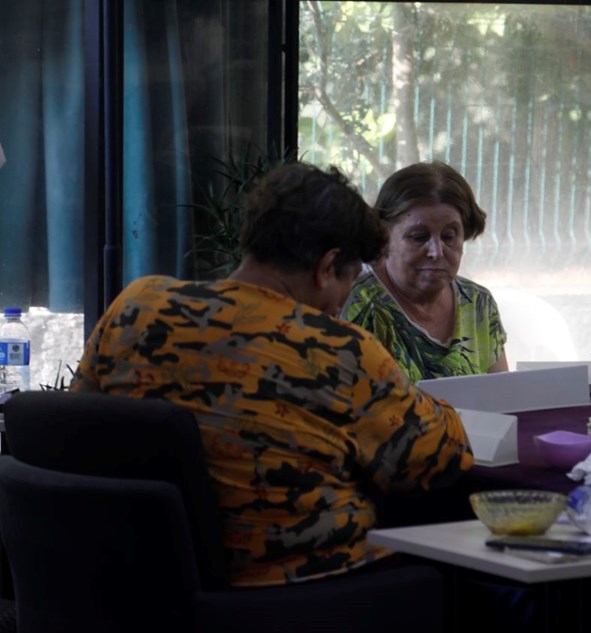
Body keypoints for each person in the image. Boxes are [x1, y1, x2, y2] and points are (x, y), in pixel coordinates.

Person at [71, 162, 473, 587]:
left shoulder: (136, 307)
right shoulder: (338, 349)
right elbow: (441, 457)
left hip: (137, 585)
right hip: (309, 597)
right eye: (348, 282)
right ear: (327, 265)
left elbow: (78, 422)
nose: (340, 305)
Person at [342, 161, 508, 383]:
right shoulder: (358, 307)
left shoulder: (478, 304)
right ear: (384, 237)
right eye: (418, 237)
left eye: (449, 236)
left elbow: (505, 400)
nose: (436, 252)